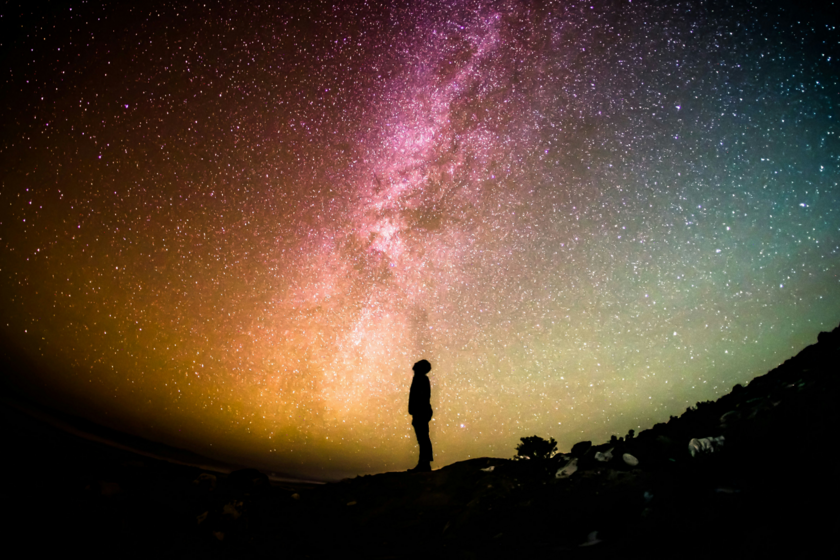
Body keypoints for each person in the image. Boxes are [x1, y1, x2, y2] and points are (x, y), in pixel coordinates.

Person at [408, 359, 433, 472]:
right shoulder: (419, 378)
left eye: (417, 364)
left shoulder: (421, 379)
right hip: (420, 411)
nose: (414, 364)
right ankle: (423, 463)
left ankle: (424, 463)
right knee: (422, 437)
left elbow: (421, 398)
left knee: (423, 437)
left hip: (421, 412)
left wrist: (417, 411)